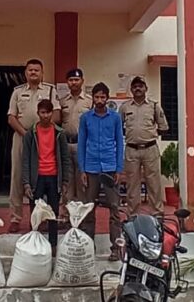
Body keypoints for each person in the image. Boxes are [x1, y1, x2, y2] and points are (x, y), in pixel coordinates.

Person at [7, 59, 61, 232]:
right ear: (25, 73)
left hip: (43, 139)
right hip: (21, 137)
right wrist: (27, 134)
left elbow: (57, 115)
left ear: (42, 73)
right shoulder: (17, 92)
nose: (33, 73)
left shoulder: (50, 90)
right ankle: (15, 218)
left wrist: (40, 133)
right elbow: (11, 117)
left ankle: (40, 217)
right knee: (17, 177)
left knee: (41, 177)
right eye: (30, 70)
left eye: (37, 70)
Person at [78, 82, 124, 261]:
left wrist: (119, 168)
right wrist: (82, 169)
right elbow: (82, 144)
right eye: (96, 97)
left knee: (114, 208)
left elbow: (120, 143)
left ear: (107, 98)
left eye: (102, 97)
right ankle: (89, 247)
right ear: (92, 98)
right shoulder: (85, 118)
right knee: (89, 209)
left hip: (110, 167)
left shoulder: (115, 118)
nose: (99, 100)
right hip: (91, 167)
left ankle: (116, 248)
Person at [22, 99, 70, 255]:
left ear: (52, 113)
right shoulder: (31, 134)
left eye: (48, 112)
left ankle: (53, 245)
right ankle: (33, 245)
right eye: (42, 112)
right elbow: (26, 159)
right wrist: (26, 183)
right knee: (35, 214)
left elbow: (65, 158)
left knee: (53, 213)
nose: (45, 116)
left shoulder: (59, 133)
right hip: (37, 178)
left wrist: (65, 181)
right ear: (38, 113)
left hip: (54, 177)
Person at [119, 76, 168, 217]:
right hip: (131, 150)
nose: (138, 89)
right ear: (131, 90)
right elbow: (119, 127)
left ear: (146, 88)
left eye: (140, 86)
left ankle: (157, 214)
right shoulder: (125, 107)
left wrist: (148, 135)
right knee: (132, 184)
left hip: (150, 149)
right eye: (135, 86)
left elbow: (164, 127)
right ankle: (133, 215)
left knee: (154, 183)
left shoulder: (154, 106)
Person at [58, 68, 92, 225]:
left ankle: (82, 216)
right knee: (67, 181)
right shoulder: (62, 101)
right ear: (67, 82)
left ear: (82, 81)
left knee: (82, 181)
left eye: (76, 80)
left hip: (82, 145)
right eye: (71, 80)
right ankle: (66, 215)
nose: (74, 83)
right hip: (66, 144)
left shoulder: (89, 101)